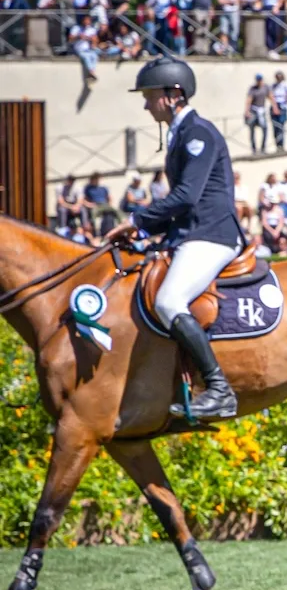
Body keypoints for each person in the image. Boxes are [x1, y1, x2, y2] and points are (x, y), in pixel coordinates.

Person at [106, 58, 245, 420]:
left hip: (212, 234)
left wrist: (136, 221)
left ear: (173, 94)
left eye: (150, 96)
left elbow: (186, 197)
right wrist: (143, 235)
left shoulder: (198, 134)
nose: (146, 105)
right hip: (191, 233)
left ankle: (219, 389)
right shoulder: (181, 135)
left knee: (169, 301)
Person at [245, 73, 271, 154]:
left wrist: (275, 107)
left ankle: (263, 148)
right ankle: (254, 149)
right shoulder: (253, 89)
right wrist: (247, 111)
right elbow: (249, 100)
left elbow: (270, 97)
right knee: (252, 129)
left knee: (265, 128)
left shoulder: (265, 87)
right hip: (253, 111)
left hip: (262, 111)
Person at [269, 71, 287, 152]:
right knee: (275, 127)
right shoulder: (273, 86)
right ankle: (277, 145)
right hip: (275, 107)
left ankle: (281, 145)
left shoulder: (286, 85)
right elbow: (271, 97)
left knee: (281, 127)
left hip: (283, 107)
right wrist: (275, 107)